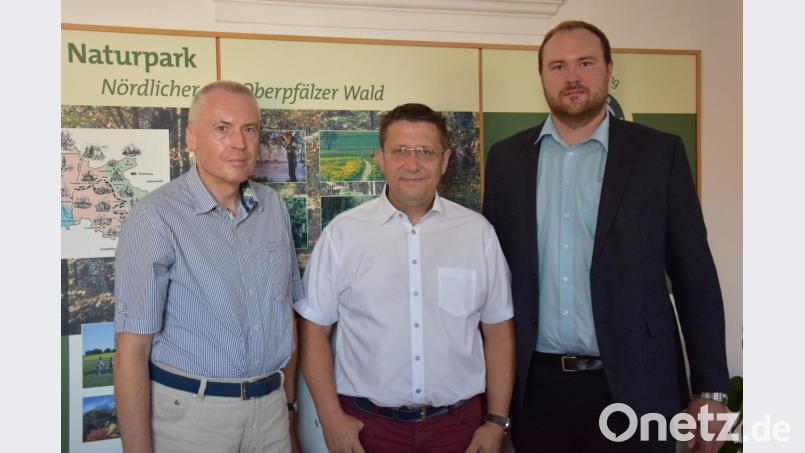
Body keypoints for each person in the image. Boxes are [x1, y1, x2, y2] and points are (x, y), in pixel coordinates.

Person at [483, 21, 730, 453]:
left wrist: (711, 393)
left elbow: (695, 276)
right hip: (536, 391)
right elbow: (490, 282)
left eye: (585, 63)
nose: (572, 76)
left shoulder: (659, 153)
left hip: (638, 383)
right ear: (541, 76)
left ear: (608, 69)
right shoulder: (506, 160)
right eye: (557, 65)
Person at [297, 103, 515, 453]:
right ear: (380, 158)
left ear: (444, 160)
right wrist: (330, 417)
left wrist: (496, 421)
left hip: (459, 429)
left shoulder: (478, 234)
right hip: (369, 430)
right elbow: (314, 331)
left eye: (425, 152)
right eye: (399, 151)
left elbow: (498, 331)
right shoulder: (343, 234)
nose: (412, 164)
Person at [113, 80, 303, 453]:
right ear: (191, 138)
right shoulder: (155, 217)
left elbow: (287, 318)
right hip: (193, 420)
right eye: (222, 128)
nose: (239, 143)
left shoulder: (274, 208)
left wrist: (290, 413)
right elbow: (131, 351)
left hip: (271, 412)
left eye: (249, 129)